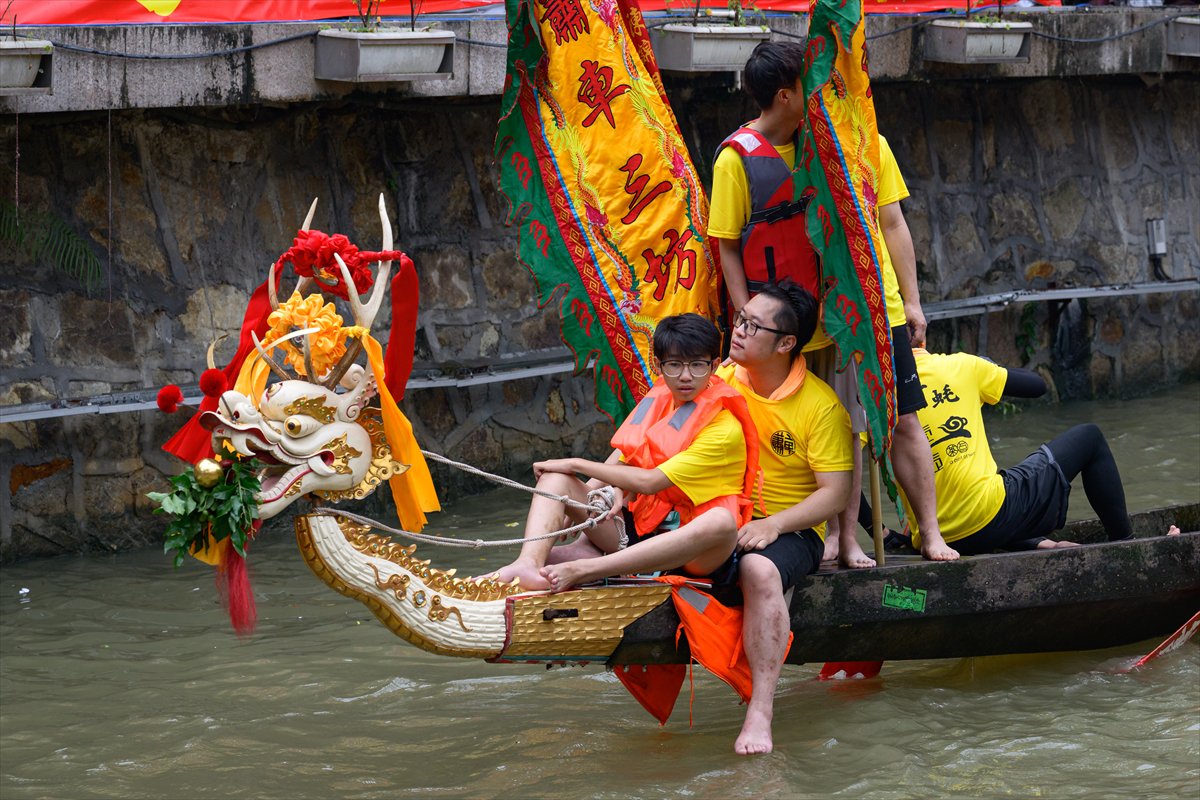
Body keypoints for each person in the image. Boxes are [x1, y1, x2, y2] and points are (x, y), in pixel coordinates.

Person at [709, 41, 956, 568]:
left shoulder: (858, 142)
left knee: (902, 422)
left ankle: (930, 534)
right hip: (805, 319)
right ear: (785, 94)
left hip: (872, 308)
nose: (823, 90)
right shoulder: (738, 158)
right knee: (838, 427)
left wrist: (912, 303)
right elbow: (726, 244)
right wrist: (748, 318)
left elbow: (893, 223)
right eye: (810, 82)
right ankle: (839, 541)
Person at [488, 314, 758, 592]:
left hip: (693, 550)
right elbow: (625, 453)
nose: (686, 376)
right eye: (675, 365)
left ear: (714, 365)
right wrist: (582, 499)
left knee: (721, 522)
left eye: (698, 365)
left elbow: (650, 481)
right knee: (556, 480)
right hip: (641, 528)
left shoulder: (724, 430)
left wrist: (576, 462)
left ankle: (585, 568)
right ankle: (527, 563)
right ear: (658, 365)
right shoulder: (662, 397)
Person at [716, 280, 854, 755]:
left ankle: (761, 710)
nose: (738, 331)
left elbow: (834, 494)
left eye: (752, 326)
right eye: (739, 319)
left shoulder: (820, 406)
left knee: (759, 567)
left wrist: (773, 525)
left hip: (791, 529)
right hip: (719, 517)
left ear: (786, 342)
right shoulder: (722, 378)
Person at [900, 348, 1133, 554]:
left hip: (929, 538)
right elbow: (1036, 386)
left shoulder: (878, 395)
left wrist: (878, 530)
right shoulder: (960, 365)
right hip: (985, 519)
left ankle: (1038, 543)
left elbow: (861, 466)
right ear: (919, 332)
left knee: (992, 486)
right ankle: (1127, 547)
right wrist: (987, 365)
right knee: (1089, 437)